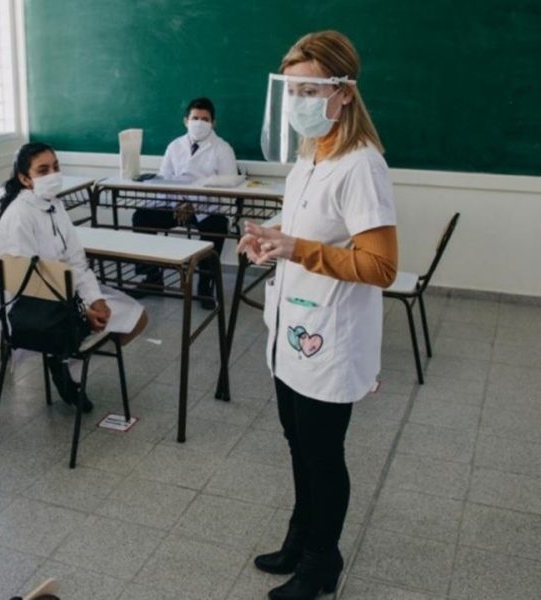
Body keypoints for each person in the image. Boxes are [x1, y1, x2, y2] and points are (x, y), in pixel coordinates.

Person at [238, 31, 398, 600]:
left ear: (344, 93)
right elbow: (305, 239)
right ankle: (301, 537)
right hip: (293, 329)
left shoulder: (361, 166)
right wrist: (269, 241)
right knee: (296, 442)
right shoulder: (312, 156)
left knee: (323, 455)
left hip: (330, 338)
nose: (299, 101)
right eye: (292, 90)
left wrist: (297, 249)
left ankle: (321, 564)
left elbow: (381, 266)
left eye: (311, 89)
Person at [0, 142, 149, 412]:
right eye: (43, 170)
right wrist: (83, 309)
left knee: (137, 318)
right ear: (25, 178)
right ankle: (64, 361)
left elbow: (75, 260)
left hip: (64, 296)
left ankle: (65, 364)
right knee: (100, 323)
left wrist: (93, 300)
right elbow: (29, 282)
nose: (53, 174)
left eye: (56, 167)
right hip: (29, 310)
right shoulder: (19, 216)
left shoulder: (54, 205)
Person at [131, 97, 238, 308]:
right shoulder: (175, 146)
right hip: (175, 205)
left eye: (205, 119)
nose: (199, 122)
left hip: (207, 208)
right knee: (142, 217)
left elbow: (228, 184)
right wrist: (179, 201)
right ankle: (152, 279)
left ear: (213, 123)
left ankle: (205, 286)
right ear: (185, 121)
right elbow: (164, 179)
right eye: (195, 118)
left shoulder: (223, 148)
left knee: (217, 226)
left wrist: (194, 204)